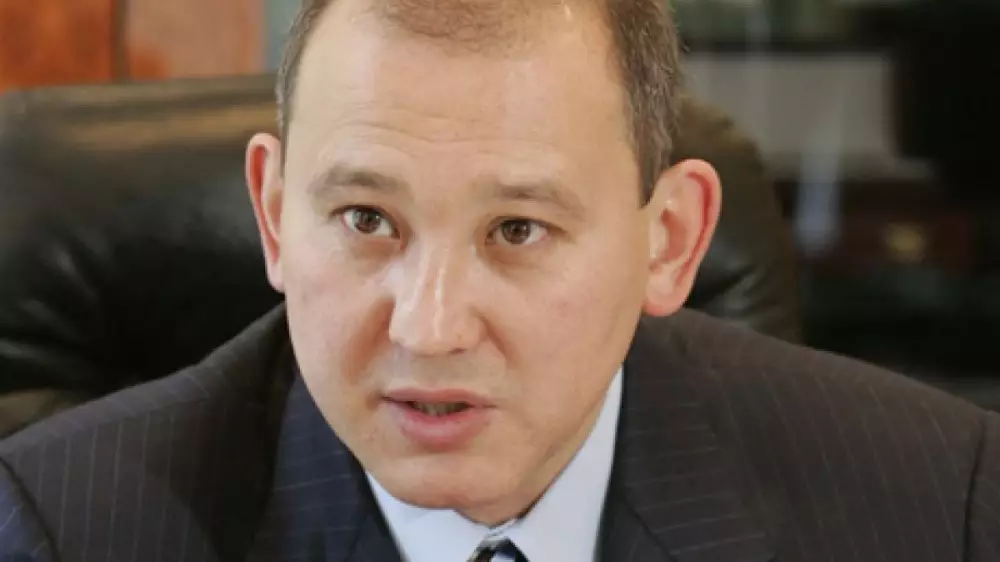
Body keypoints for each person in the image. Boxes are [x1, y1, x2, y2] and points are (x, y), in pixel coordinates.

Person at [0, 0, 997, 560]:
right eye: (366, 220)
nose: (428, 329)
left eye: (517, 229)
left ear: (668, 241)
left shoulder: (931, 506)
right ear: (272, 216)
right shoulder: (68, 529)